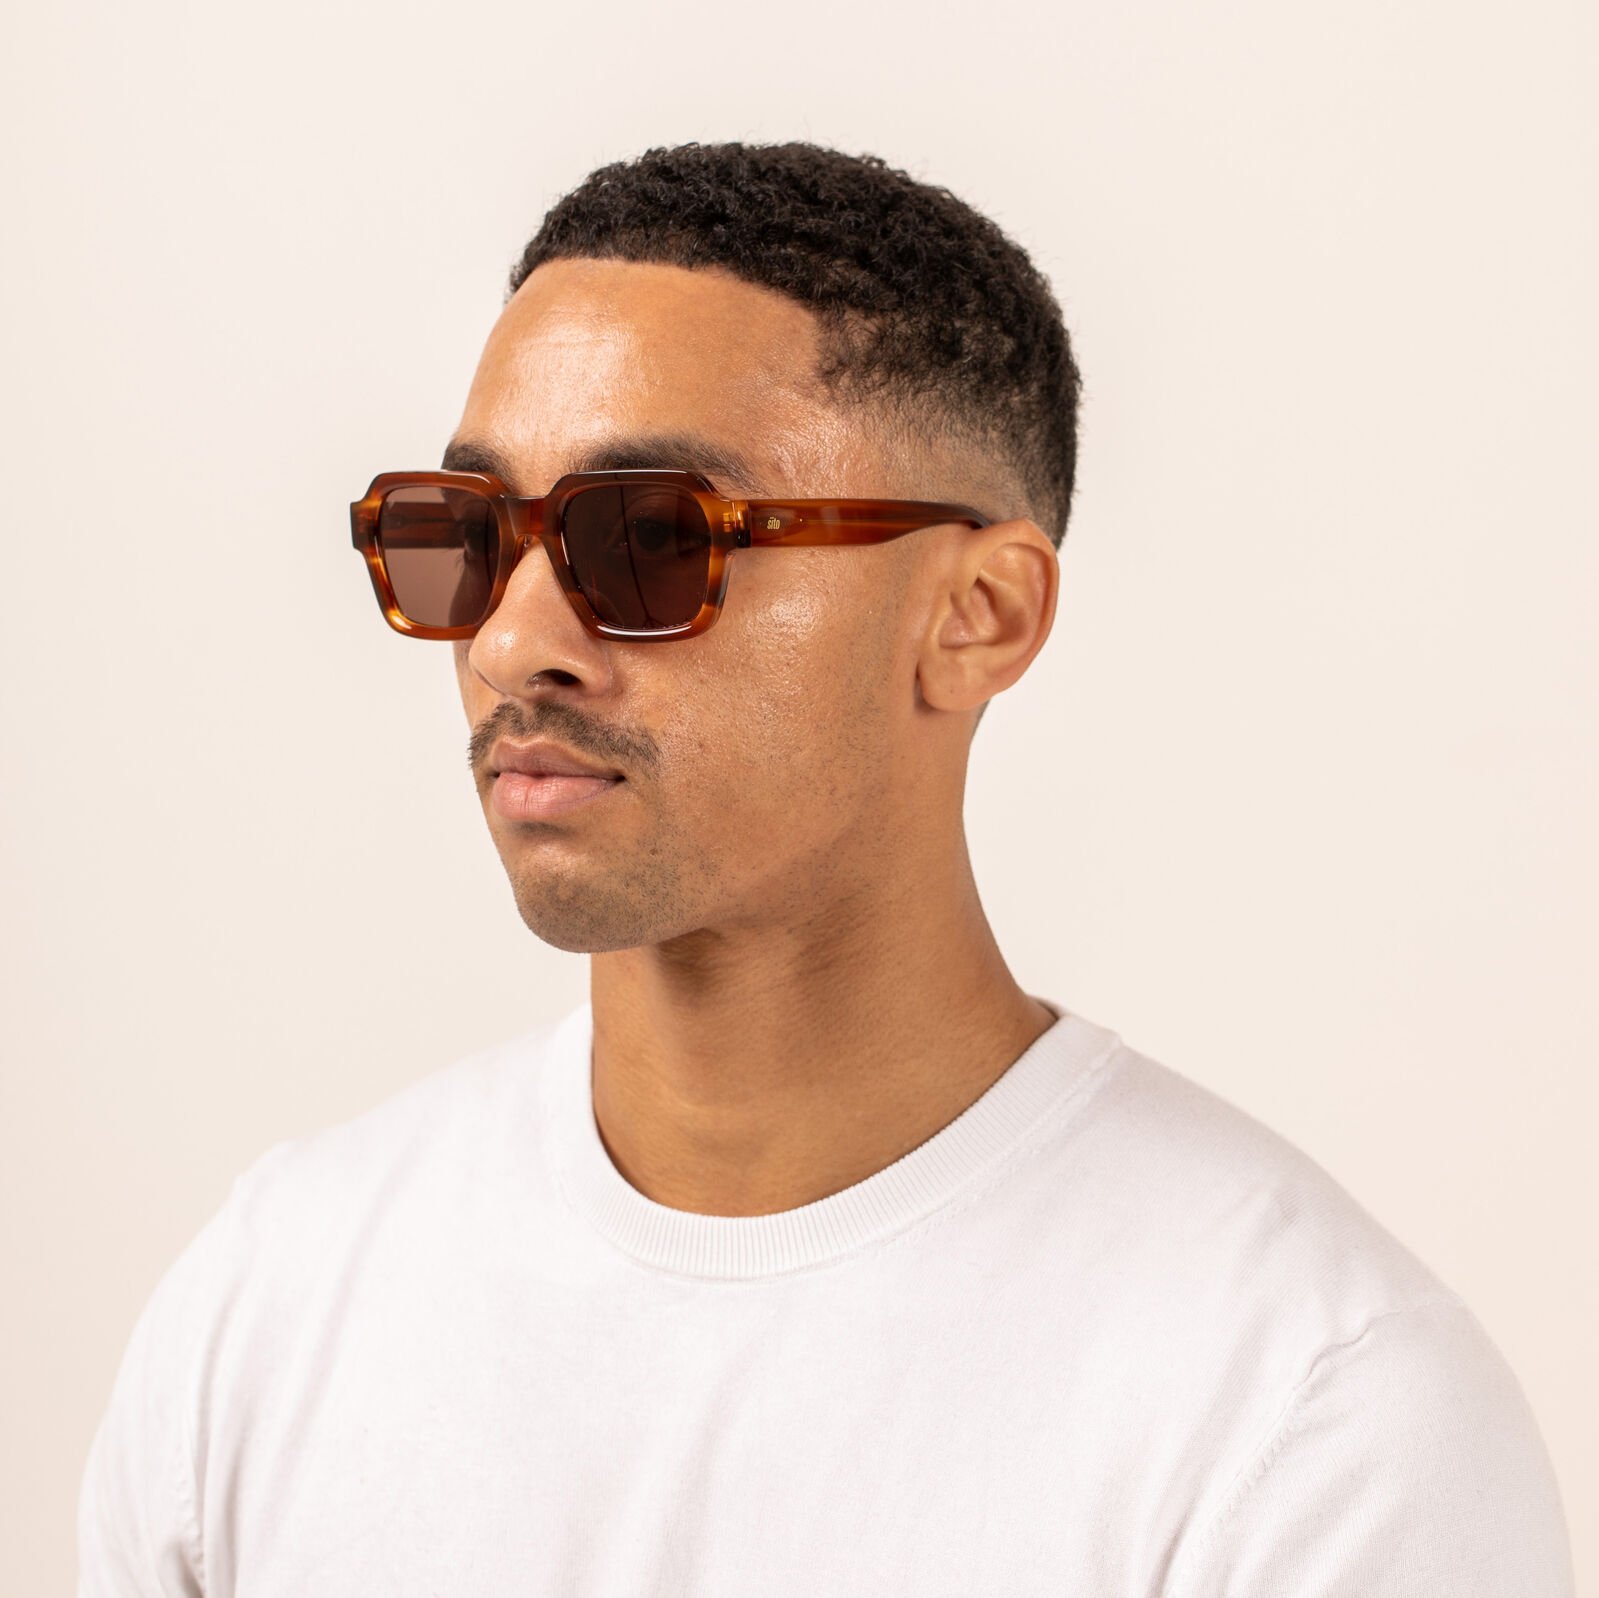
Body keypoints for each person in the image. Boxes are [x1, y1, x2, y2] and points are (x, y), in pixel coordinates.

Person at [79, 141, 1573, 1596]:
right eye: (463, 537)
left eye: (650, 539)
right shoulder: (272, 1305)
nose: (512, 642)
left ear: (979, 615)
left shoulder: (1305, 1420)